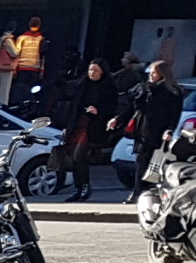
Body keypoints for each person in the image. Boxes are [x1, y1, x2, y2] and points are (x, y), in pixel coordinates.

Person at [119, 60, 187, 191]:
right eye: (150, 72)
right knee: (140, 159)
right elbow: (135, 108)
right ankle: (137, 191)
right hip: (143, 128)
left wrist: (170, 130)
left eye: (154, 73)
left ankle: (147, 189)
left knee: (154, 161)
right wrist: (118, 118)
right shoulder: (145, 88)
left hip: (160, 131)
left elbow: (174, 113)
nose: (151, 75)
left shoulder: (172, 91)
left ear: (162, 74)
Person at [63, 59, 114, 201]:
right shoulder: (82, 85)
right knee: (74, 157)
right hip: (78, 124)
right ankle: (78, 188)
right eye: (90, 70)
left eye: (96, 70)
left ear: (102, 72)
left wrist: (98, 111)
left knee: (80, 155)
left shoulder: (107, 88)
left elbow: (112, 108)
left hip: (92, 126)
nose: (92, 73)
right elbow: (73, 107)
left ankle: (85, 186)